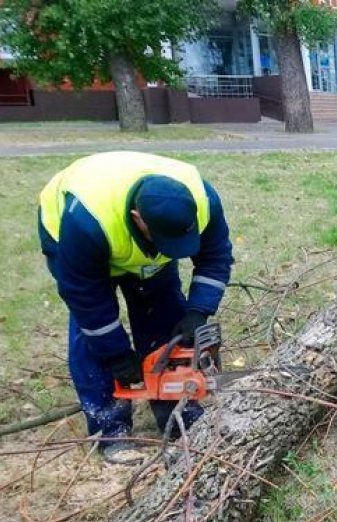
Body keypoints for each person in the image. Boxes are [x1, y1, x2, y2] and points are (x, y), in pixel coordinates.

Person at [37, 152, 234, 464]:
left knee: (165, 317)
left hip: (135, 246)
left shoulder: (203, 200)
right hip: (73, 237)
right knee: (93, 333)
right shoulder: (87, 221)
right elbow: (84, 295)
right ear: (138, 216)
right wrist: (114, 352)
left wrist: (199, 311)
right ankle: (110, 428)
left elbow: (216, 256)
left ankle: (175, 410)